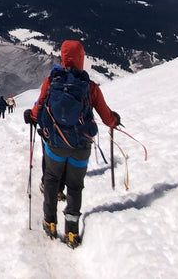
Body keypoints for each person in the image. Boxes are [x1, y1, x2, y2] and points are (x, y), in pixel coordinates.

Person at [24, 40, 121, 247]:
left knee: (51, 180)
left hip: (56, 144)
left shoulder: (51, 81)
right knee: (75, 187)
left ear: (63, 56)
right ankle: (71, 231)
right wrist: (115, 120)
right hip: (81, 148)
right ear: (81, 58)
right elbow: (106, 116)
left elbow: (39, 107)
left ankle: (50, 222)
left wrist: (31, 117)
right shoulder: (90, 86)